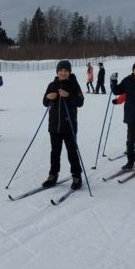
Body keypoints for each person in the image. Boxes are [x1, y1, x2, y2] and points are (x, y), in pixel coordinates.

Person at [41, 60, 85, 190]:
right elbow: (44, 102)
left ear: (69, 72)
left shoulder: (74, 85)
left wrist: (68, 95)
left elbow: (80, 101)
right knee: (55, 152)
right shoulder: (52, 85)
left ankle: (77, 176)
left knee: (72, 151)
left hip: (69, 125)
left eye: (66, 71)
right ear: (57, 72)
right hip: (54, 126)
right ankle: (53, 175)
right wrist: (49, 97)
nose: (63, 73)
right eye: (61, 70)